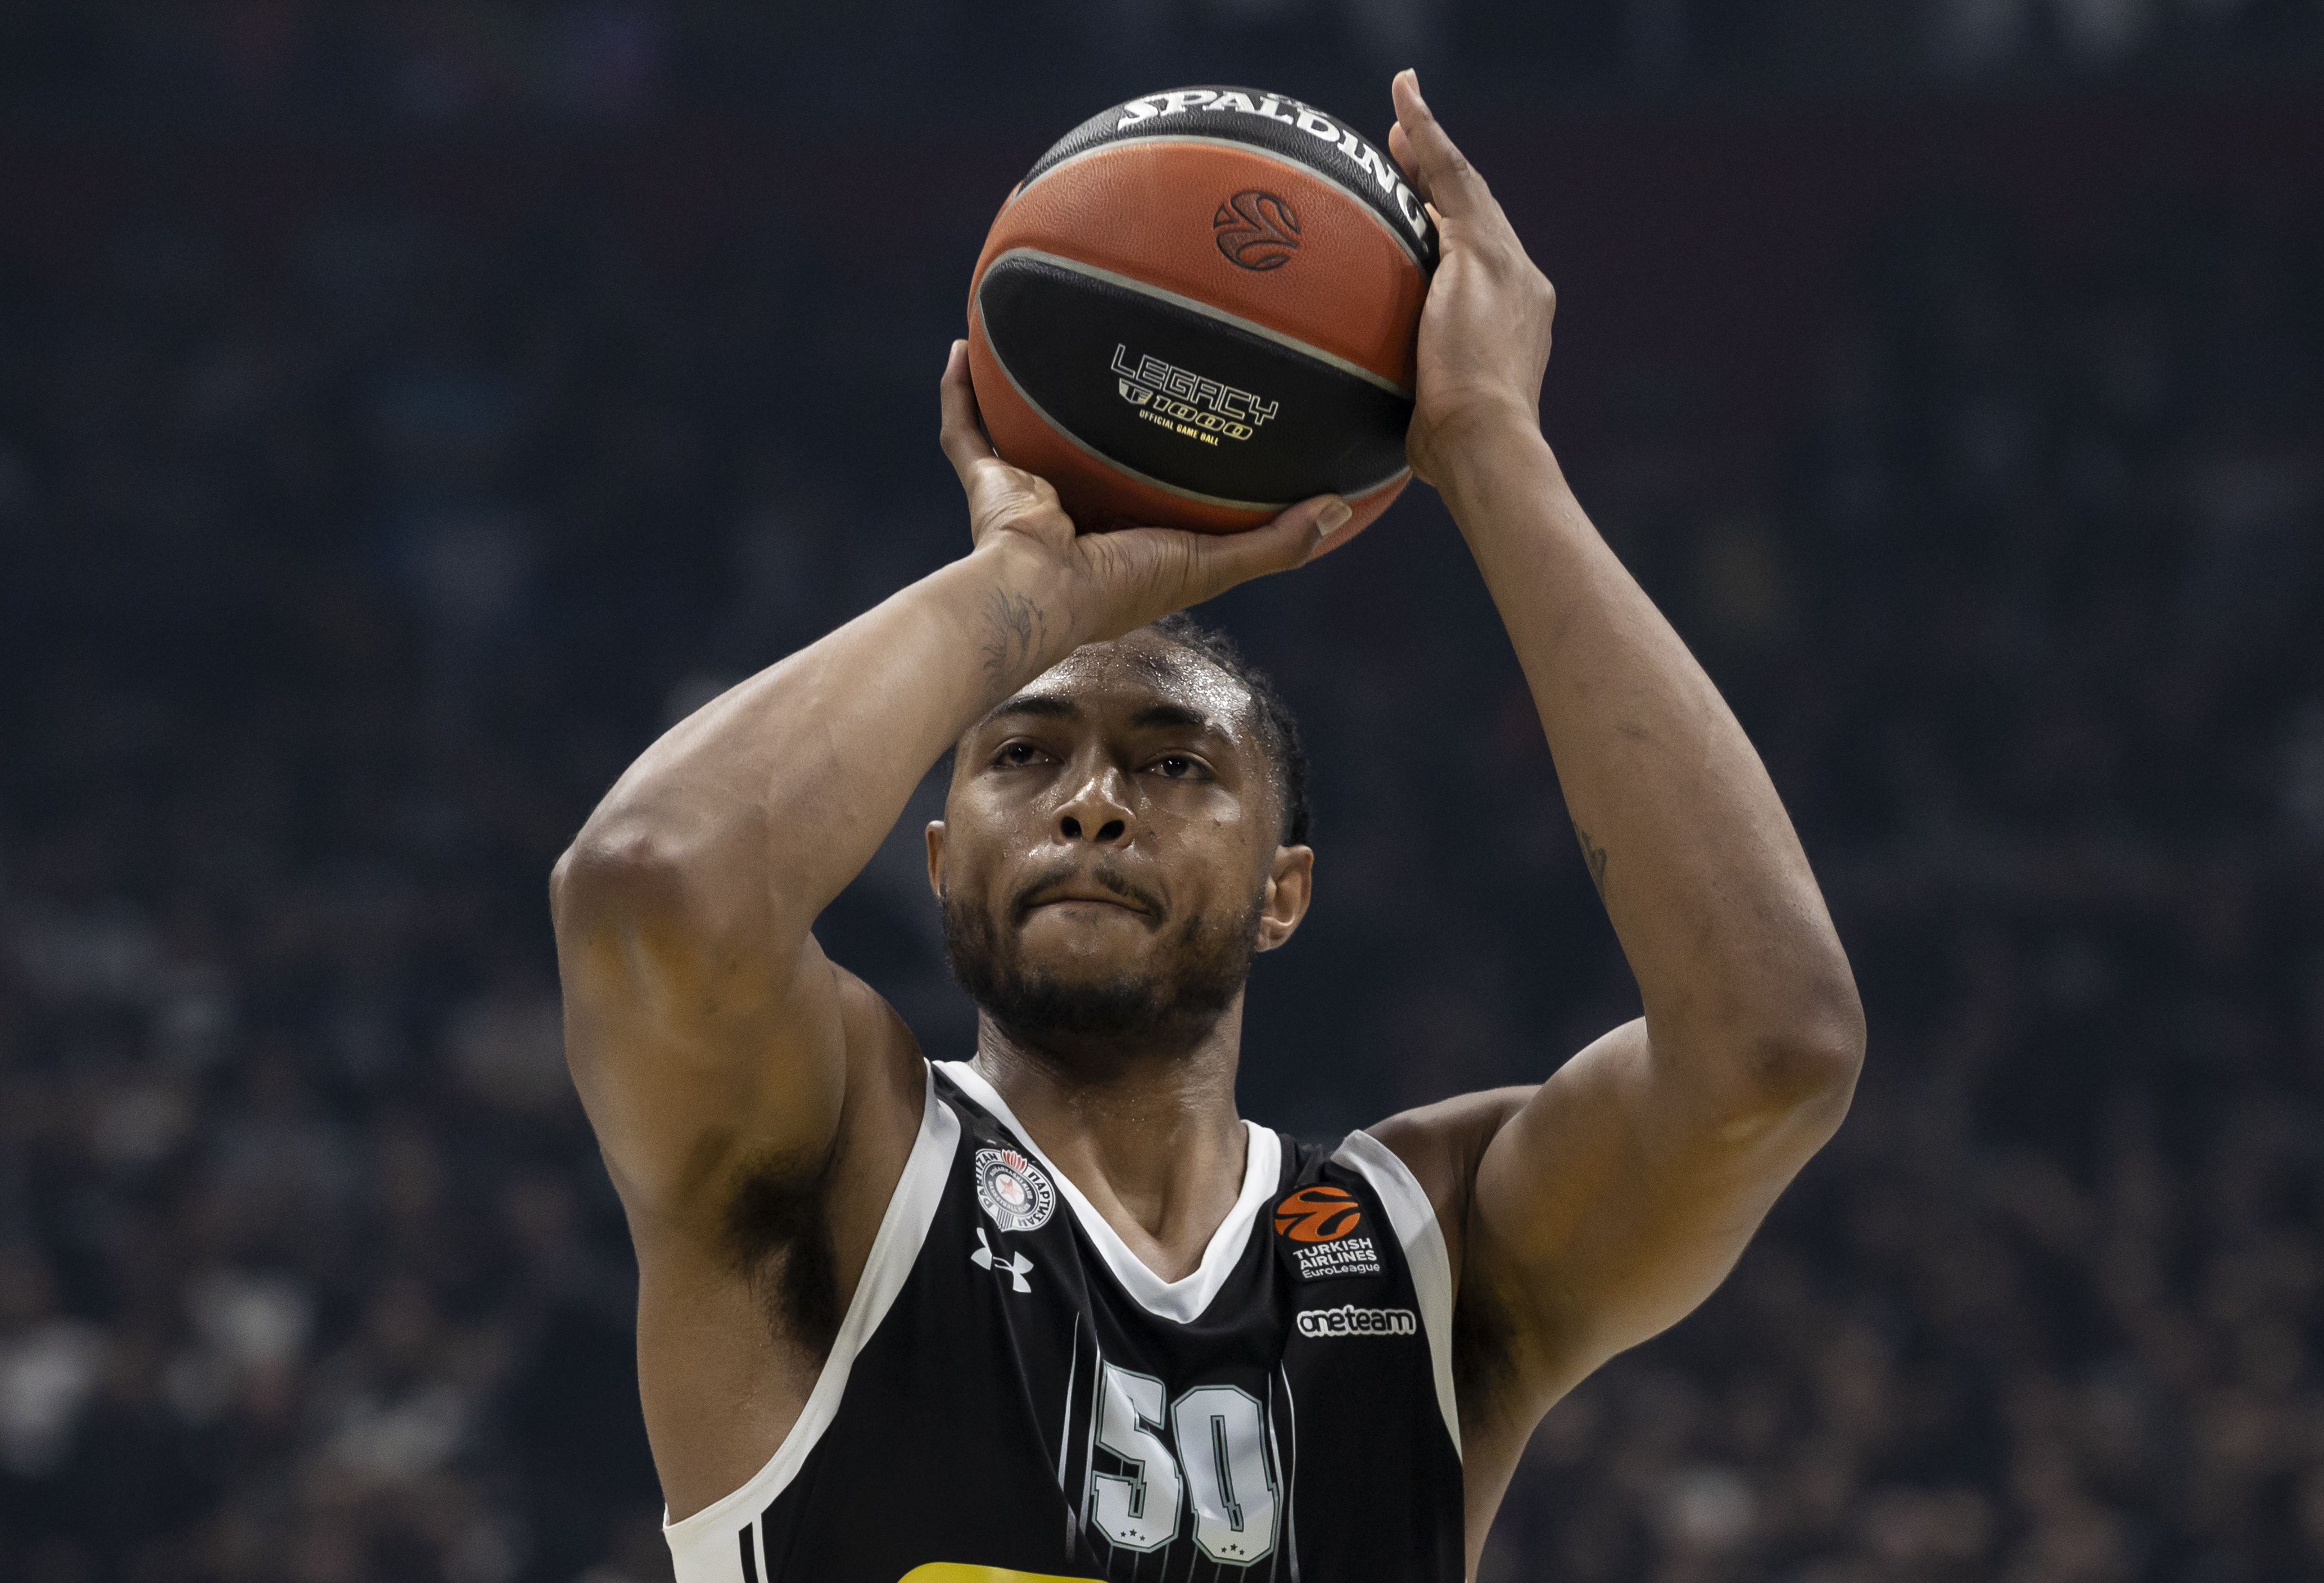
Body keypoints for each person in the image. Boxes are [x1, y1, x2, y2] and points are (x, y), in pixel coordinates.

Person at [550, 71, 1865, 1583]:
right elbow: (652, 888)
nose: (1092, 800)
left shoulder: (1422, 1259)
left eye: (1176, 766)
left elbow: (1776, 1051)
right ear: (936, 860)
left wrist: (1493, 444)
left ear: (1284, 890)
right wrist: (1030, 593)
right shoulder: (835, 1160)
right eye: (1023, 756)